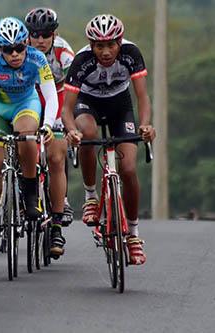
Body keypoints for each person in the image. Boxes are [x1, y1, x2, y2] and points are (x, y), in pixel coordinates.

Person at [62, 14, 156, 265]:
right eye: (99, 46)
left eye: (111, 45)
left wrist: (146, 125)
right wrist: (71, 131)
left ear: (120, 42)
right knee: (88, 134)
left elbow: (143, 97)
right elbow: (66, 110)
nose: (105, 51)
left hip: (119, 105)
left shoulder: (131, 54)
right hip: (87, 103)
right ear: (91, 45)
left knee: (127, 169)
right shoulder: (81, 61)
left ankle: (134, 235)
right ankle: (91, 196)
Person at [0, 17, 58, 253]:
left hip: (26, 104)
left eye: (19, 48)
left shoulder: (37, 59)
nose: (15, 54)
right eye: (8, 49)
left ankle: (30, 194)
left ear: (26, 44)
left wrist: (46, 124)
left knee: (27, 136)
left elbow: (51, 94)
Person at [25, 7, 75, 256]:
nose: (40, 40)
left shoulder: (64, 53)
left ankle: (56, 224)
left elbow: (75, 91)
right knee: (25, 147)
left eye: (45, 34)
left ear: (54, 34)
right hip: (29, 96)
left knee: (56, 155)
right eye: (35, 34)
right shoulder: (18, 48)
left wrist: (65, 122)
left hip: (58, 95)